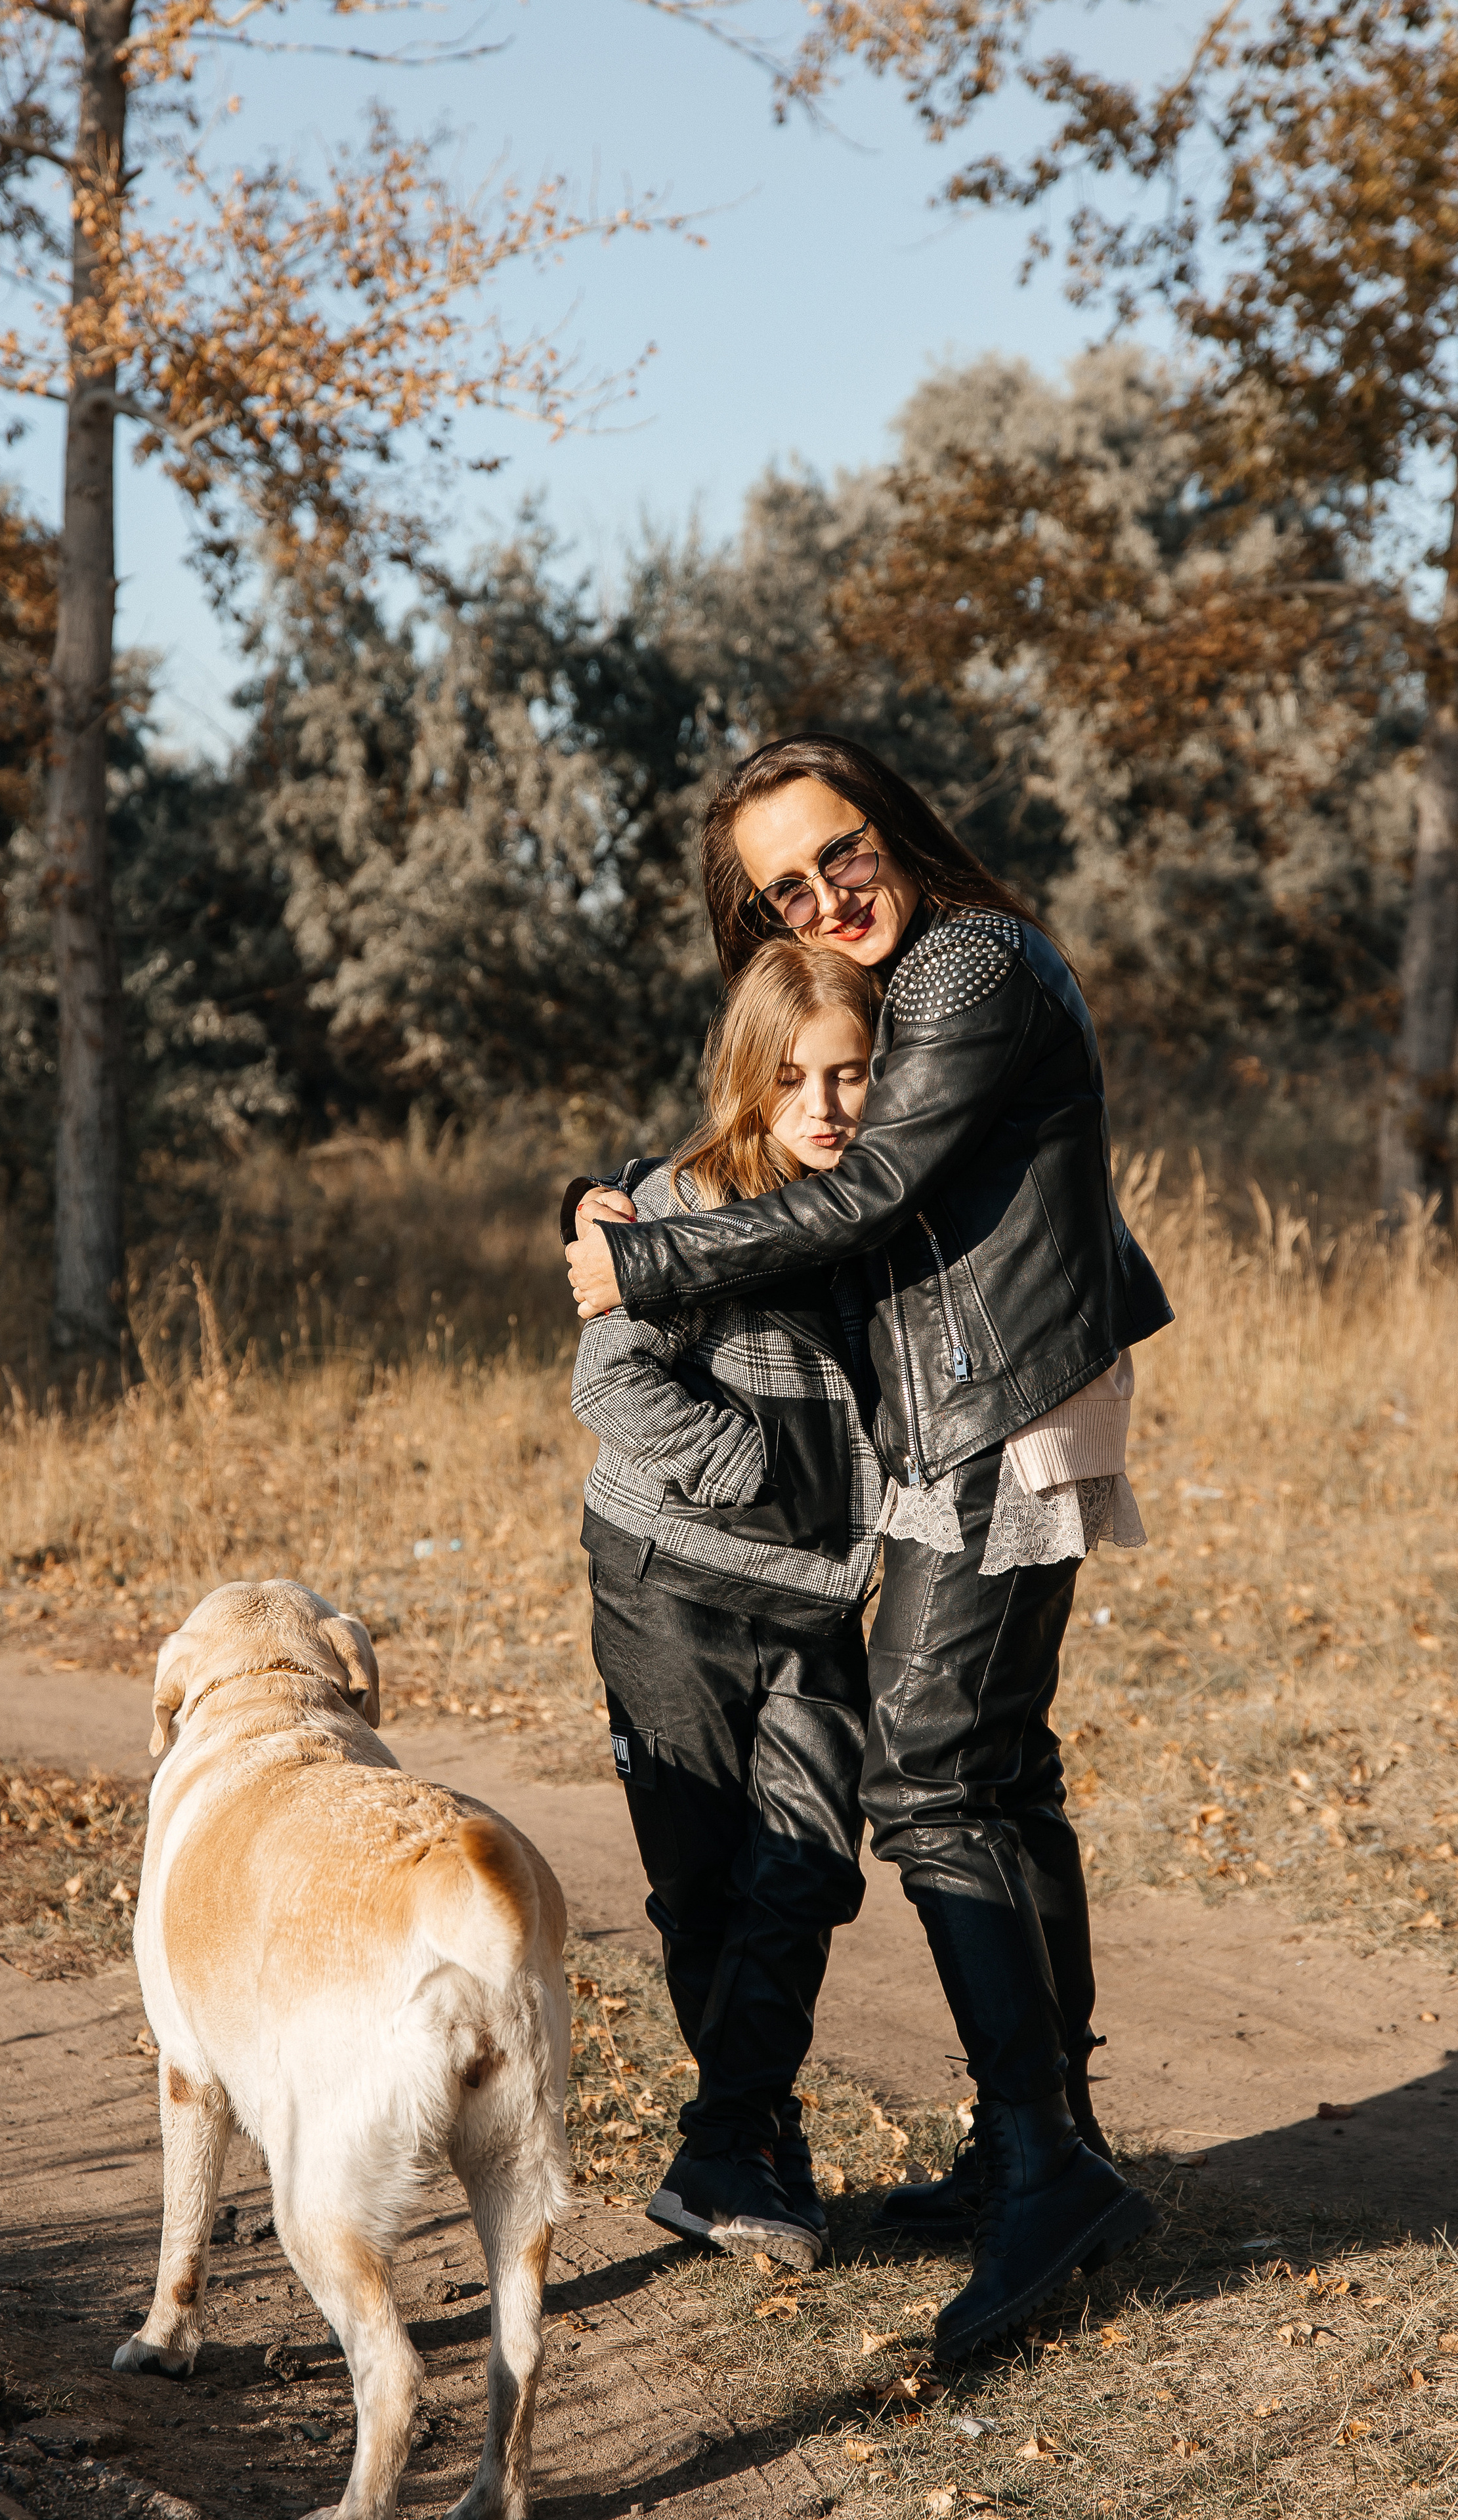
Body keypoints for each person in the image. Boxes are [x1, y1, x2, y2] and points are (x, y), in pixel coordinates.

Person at [565, 732, 1171, 2363]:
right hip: (998, 1390)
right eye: (783, 887)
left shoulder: (969, 959)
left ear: (889, 828)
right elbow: (797, 1141)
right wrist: (624, 1204)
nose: (826, 894)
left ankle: (1045, 2166)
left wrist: (645, 1267)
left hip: (1002, 1397)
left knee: (927, 1775)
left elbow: (870, 1189)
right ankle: (1039, 2138)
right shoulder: (906, 983)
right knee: (999, 1767)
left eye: (840, 852)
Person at [568, 942, 886, 2275]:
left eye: (851, 1075)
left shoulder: (883, 1213)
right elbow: (610, 1384)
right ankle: (754, 2149)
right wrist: (746, 1469)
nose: (821, 1106)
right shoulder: (684, 1204)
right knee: (702, 1887)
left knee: (806, 1865)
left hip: (816, 1603)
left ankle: (726, 2145)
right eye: (791, 1078)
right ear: (744, 1082)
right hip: (670, 1592)